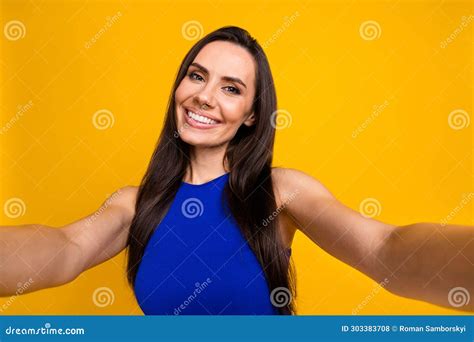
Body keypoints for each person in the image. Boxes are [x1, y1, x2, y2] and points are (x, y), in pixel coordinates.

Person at [0, 26, 472, 315]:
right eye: (197, 76)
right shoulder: (134, 203)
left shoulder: (280, 192)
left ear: (251, 113)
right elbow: (63, 250)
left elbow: (386, 250)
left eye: (231, 88)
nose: (204, 96)